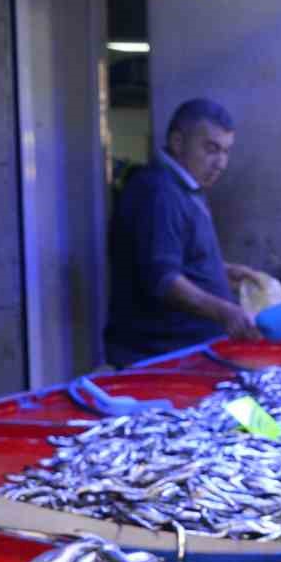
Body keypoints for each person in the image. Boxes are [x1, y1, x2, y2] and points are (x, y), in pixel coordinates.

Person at [102, 99, 262, 367]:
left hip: (189, 352)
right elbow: (163, 280)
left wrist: (220, 270)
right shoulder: (159, 193)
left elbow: (176, 254)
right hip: (158, 358)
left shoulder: (186, 187)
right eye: (211, 149)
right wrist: (226, 312)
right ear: (178, 142)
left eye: (226, 151)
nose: (220, 162)